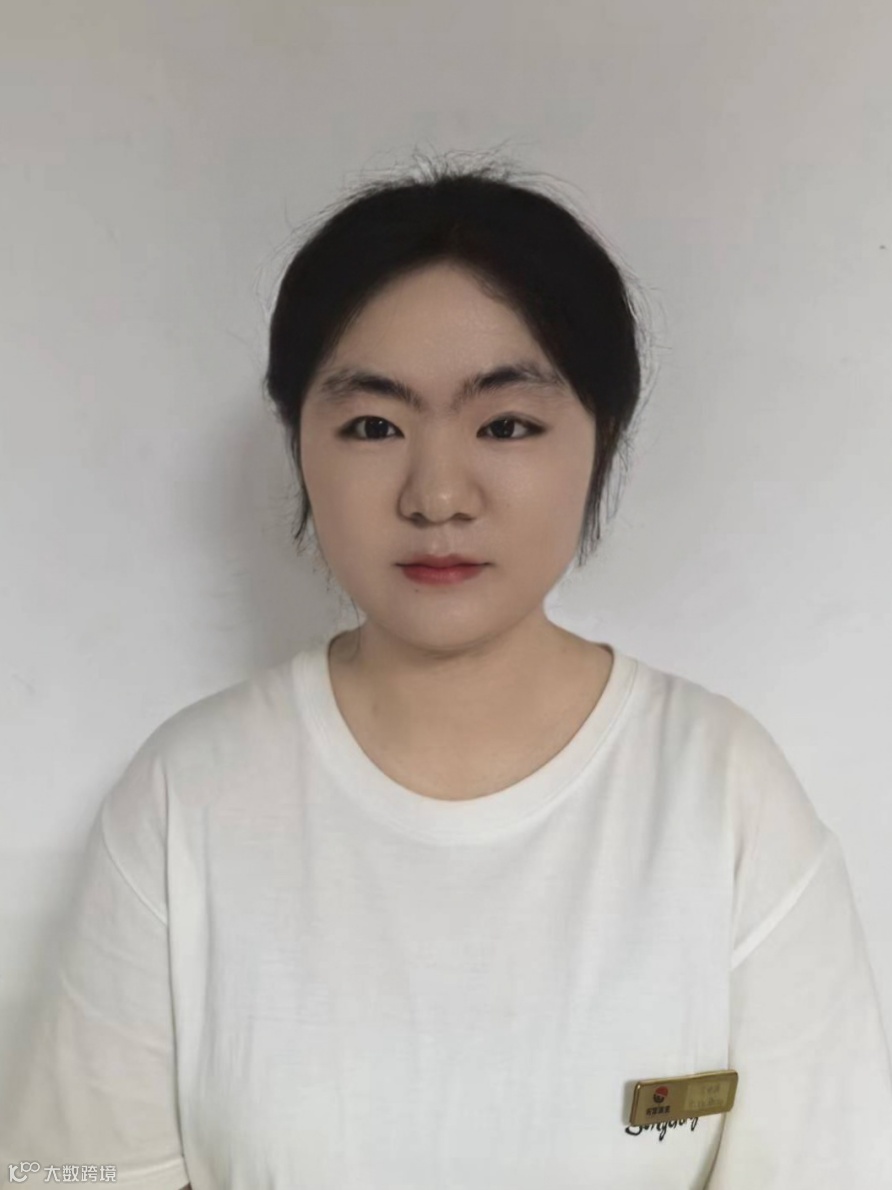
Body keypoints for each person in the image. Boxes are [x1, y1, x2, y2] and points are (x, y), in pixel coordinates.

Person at [4, 155, 892, 1189]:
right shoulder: (185, 797)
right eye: (373, 425)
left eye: (506, 424)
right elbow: (78, 1173)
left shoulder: (723, 794)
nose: (436, 495)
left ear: (601, 437)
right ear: (300, 443)